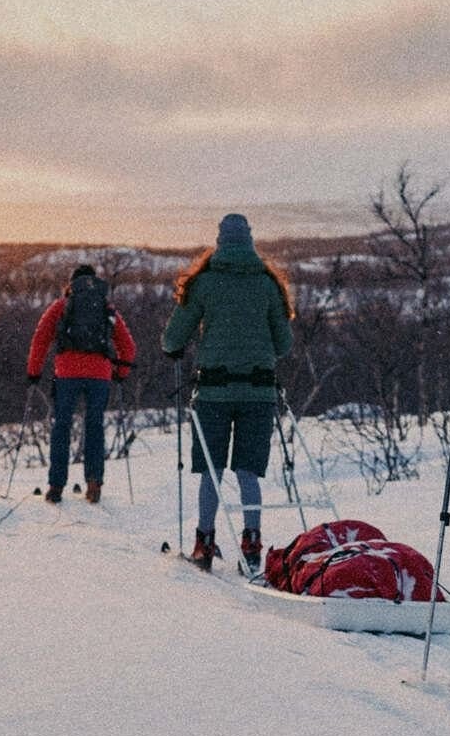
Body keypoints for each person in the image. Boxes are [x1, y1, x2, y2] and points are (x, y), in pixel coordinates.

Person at [162, 212, 295, 571]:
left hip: (214, 392)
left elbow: (173, 338)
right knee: (248, 470)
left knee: (211, 469)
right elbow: (283, 344)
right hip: (258, 392)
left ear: (219, 241)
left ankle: (204, 543)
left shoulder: (203, 283)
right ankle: (252, 541)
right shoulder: (268, 285)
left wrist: (177, 348)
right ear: (250, 240)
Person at [27, 263, 137, 504]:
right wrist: (121, 372)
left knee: (62, 427)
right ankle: (94, 483)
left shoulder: (61, 306)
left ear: (71, 284)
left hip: (67, 373)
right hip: (100, 375)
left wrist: (33, 372)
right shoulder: (107, 308)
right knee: (94, 427)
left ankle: (56, 486)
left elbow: (40, 338)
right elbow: (127, 345)